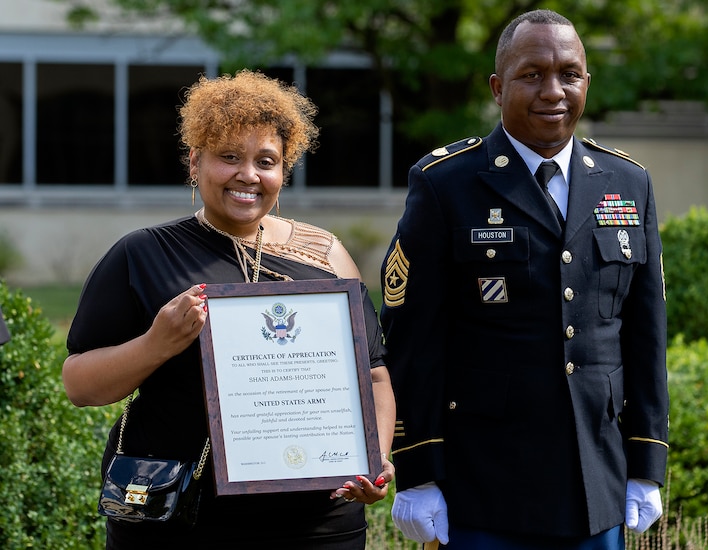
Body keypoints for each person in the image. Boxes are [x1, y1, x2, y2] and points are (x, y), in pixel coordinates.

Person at [62, 69, 396, 549]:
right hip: (182, 518)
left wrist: (374, 458)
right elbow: (79, 385)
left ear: (284, 170)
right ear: (194, 161)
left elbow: (375, 376)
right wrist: (156, 344)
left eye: (266, 160)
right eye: (229, 157)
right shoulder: (143, 254)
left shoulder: (325, 255)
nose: (249, 175)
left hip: (319, 525)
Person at [380, 9, 668, 549]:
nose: (553, 91)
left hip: (596, 483)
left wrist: (647, 459)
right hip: (484, 484)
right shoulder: (447, 184)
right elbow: (412, 340)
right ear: (497, 87)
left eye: (570, 74)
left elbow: (646, 334)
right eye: (531, 74)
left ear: (587, 82)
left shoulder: (628, 182)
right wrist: (418, 469)